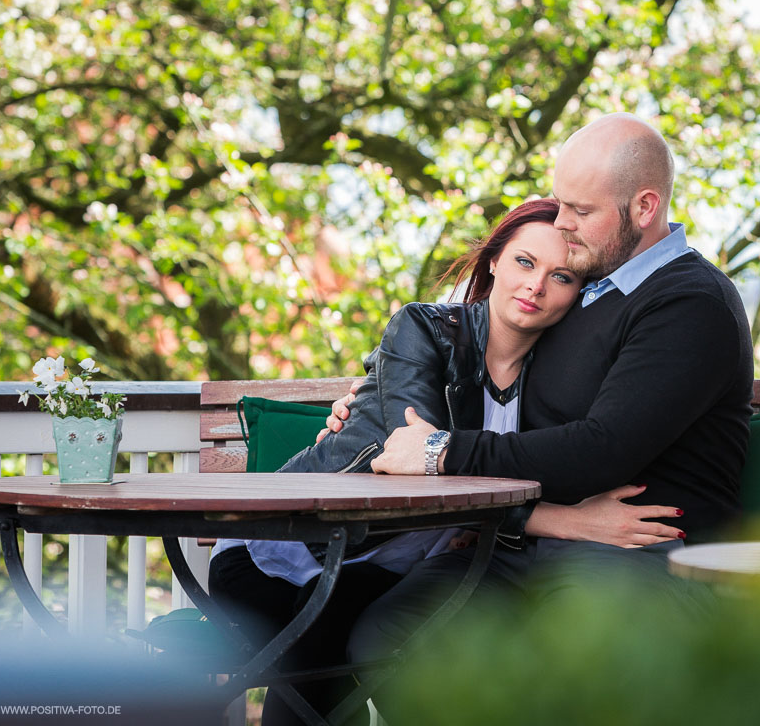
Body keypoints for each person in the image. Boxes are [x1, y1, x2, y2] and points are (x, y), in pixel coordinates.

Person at [207, 199, 684, 726]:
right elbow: (422, 466)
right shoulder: (425, 331)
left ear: (579, 294)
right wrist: (569, 521)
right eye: (525, 262)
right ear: (495, 262)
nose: (537, 286)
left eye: (563, 276)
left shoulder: (560, 379)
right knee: (332, 633)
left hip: (399, 567)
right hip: (289, 550)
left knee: (378, 631)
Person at [346, 113, 755, 690]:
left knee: (576, 659)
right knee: (390, 637)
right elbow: (479, 362)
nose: (562, 223)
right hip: (524, 542)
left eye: (581, 211)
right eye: (561, 204)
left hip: (639, 552)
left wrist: (440, 450)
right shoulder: (584, 289)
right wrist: (365, 403)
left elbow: (601, 449)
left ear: (644, 208)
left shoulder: (690, 303)